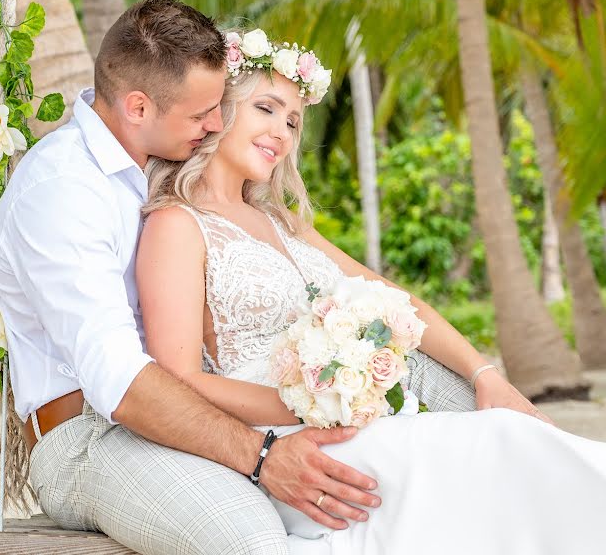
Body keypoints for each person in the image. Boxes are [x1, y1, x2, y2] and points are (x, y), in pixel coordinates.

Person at [0, 0, 480, 555]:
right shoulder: (60, 192)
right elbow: (119, 382)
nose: (215, 125)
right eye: (202, 114)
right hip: (96, 435)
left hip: (195, 410)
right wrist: (265, 451)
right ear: (137, 107)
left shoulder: (160, 167)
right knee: (252, 541)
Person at [136, 27, 606, 554]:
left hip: (358, 422)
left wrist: (484, 373)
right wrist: (305, 408)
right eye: (266, 109)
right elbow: (179, 379)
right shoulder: (178, 224)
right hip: (292, 444)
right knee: (494, 449)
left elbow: (398, 301)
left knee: (512, 441)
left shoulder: (285, 223)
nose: (283, 133)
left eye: (293, 121)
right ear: (219, 109)